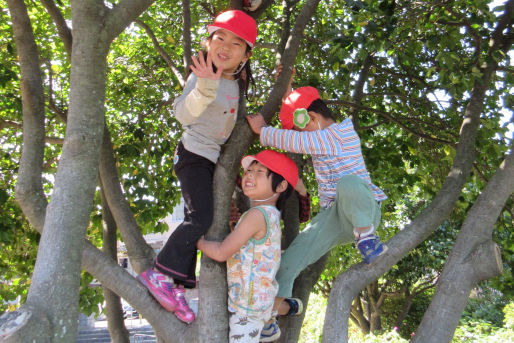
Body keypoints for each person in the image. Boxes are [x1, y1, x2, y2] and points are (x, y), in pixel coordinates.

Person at [137, 10, 258, 324]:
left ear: (246, 54)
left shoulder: (235, 82)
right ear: (208, 41)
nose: (226, 46)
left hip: (211, 158)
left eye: (236, 43)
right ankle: (160, 272)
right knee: (200, 217)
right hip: (192, 154)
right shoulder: (203, 76)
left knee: (203, 220)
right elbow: (182, 114)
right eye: (220, 37)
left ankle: (177, 285)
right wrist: (204, 87)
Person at [246, 86, 388, 340]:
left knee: (348, 183)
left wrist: (263, 131)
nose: (301, 136)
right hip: (333, 218)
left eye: (301, 128)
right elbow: (301, 121)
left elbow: (299, 141)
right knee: (287, 261)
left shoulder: (341, 133)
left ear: (310, 118)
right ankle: (269, 318)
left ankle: (367, 238)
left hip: (362, 210)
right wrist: (287, 89)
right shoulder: (319, 135)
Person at [197, 150, 298, 343]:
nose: (250, 175)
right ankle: (276, 317)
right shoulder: (271, 215)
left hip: (247, 309)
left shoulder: (256, 216)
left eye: (260, 172)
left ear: (281, 185)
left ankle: (272, 318)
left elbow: (220, 252)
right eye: (248, 171)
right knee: (266, 308)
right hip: (261, 298)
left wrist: (197, 241)